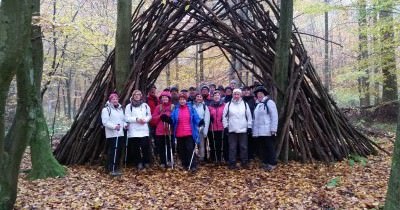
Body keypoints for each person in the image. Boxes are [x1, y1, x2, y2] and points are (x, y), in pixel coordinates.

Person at [170, 93, 201, 172]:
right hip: (179, 133)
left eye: (183, 99)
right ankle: (185, 164)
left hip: (189, 133)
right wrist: (169, 120)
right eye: (180, 99)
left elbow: (196, 117)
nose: (182, 101)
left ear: (186, 100)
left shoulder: (191, 108)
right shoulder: (176, 109)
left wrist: (200, 122)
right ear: (179, 100)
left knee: (190, 149)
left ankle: (192, 165)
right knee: (181, 150)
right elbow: (172, 119)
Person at [222, 88, 252, 170]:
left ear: (240, 95)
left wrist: (249, 126)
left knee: (243, 147)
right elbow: (224, 117)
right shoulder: (228, 105)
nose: (236, 96)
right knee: (232, 147)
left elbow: (249, 116)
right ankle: (232, 163)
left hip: (243, 129)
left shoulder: (245, 104)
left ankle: (244, 162)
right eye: (235, 94)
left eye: (238, 94)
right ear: (233, 95)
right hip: (232, 130)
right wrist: (225, 127)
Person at [252, 86, 278, 171]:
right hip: (260, 131)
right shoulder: (258, 105)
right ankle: (266, 162)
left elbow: (274, 116)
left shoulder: (269, 102)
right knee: (263, 147)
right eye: (258, 94)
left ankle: (272, 163)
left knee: (269, 147)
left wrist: (273, 129)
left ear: (264, 94)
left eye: (261, 93)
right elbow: (256, 120)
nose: (259, 95)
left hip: (268, 130)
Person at [125, 90, 152, 170]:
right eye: (135, 95)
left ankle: (146, 162)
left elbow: (149, 115)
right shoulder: (129, 106)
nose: (137, 96)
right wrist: (136, 119)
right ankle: (138, 162)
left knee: (145, 147)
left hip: (143, 130)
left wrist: (145, 120)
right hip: (133, 130)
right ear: (133, 96)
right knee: (135, 148)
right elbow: (127, 117)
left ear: (141, 96)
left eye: (138, 94)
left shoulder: (145, 105)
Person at [101, 92, 126, 175]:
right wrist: (114, 126)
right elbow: (105, 122)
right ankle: (110, 168)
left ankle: (115, 167)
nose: (115, 100)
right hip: (112, 134)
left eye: (116, 99)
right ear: (110, 100)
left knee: (118, 150)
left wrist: (125, 125)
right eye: (113, 99)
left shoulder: (120, 109)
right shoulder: (106, 110)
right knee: (112, 151)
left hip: (120, 133)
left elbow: (122, 120)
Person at [151, 90, 175, 168]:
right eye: (163, 97)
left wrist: (170, 119)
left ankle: (169, 160)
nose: (164, 99)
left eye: (166, 97)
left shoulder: (172, 107)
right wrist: (160, 116)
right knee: (161, 147)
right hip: (160, 131)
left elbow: (176, 118)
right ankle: (162, 161)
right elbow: (153, 119)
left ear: (169, 98)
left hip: (169, 131)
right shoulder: (158, 107)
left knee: (169, 146)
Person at [207, 90, 225, 163]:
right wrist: (209, 118)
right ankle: (214, 158)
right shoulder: (210, 107)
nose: (216, 97)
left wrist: (224, 118)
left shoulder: (225, 105)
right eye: (215, 95)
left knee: (221, 143)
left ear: (220, 97)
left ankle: (221, 157)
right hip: (212, 128)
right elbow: (207, 116)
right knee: (213, 143)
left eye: (218, 95)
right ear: (213, 97)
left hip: (221, 127)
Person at [192, 93, 210, 162]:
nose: (199, 98)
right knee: (194, 143)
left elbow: (207, 119)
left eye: (200, 97)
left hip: (201, 128)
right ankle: (194, 156)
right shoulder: (192, 106)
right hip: (194, 128)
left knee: (201, 144)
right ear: (195, 98)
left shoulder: (204, 107)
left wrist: (205, 130)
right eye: (197, 96)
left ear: (202, 98)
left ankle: (201, 157)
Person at [241, 86, 257, 160]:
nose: (246, 92)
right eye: (245, 90)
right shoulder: (240, 101)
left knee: (251, 139)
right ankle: (243, 156)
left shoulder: (253, 100)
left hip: (252, 122)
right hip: (242, 123)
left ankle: (251, 155)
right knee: (243, 140)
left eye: (248, 90)